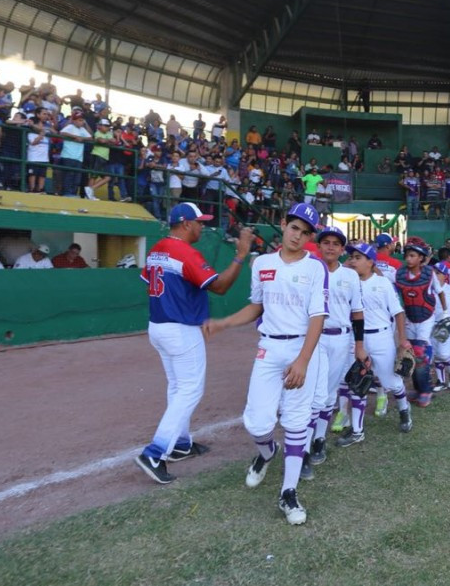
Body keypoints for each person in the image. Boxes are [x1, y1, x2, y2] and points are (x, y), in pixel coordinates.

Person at [202, 203, 327, 525]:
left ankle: (289, 493)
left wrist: (302, 360)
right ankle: (268, 453)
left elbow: (317, 317)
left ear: (310, 236)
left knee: (297, 423)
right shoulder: (262, 264)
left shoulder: (315, 268)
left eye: (305, 232)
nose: (298, 236)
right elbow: (256, 307)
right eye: (294, 228)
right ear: (283, 225)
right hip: (269, 348)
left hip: (301, 347)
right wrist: (224, 323)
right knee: (257, 423)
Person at [133, 203, 251, 485]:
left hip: (158, 326)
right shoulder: (184, 251)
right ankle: (155, 452)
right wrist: (241, 256)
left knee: (177, 386)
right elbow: (219, 286)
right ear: (185, 224)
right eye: (199, 222)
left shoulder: (157, 248)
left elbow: (150, 280)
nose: (202, 227)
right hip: (181, 329)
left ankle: (181, 443)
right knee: (190, 390)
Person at [332, 242, 414, 445]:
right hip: (356, 338)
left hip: (381, 337)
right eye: (351, 257)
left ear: (371, 262)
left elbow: (398, 313)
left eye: (358, 257)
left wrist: (402, 340)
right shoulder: (348, 282)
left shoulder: (383, 283)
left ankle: (404, 410)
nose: (352, 261)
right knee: (357, 382)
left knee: (390, 382)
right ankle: (357, 431)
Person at [301, 226, 366, 477]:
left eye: (336, 243)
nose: (330, 246)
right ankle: (303, 449)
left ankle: (318, 439)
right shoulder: (309, 270)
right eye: (325, 242)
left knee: (328, 395)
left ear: (342, 249)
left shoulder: (350, 276)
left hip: (340, 339)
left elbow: (357, 313)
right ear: (319, 246)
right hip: (313, 339)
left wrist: (359, 345)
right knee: (310, 396)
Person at [394, 238, 444, 406]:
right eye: (407, 255)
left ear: (421, 258)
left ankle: (426, 391)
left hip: (426, 317)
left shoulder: (429, 273)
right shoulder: (400, 274)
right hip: (409, 317)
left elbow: (440, 292)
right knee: (411, 354)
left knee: (421, 353)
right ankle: (418, 389)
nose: (409, 259)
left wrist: (444, 314)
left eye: (413, 255)